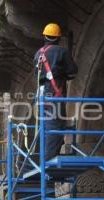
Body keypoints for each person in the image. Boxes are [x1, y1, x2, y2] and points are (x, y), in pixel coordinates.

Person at [33, 23, 78, 160]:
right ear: (58, 38)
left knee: (45, 128)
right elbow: (73, 72)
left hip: (41, 97)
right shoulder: (61, 52)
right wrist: (62, 75)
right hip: (55, 96)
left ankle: (45, 158)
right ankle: (48, 160)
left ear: (45, 37)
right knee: (56, 127)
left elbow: (37, 75)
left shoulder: (38, 54)